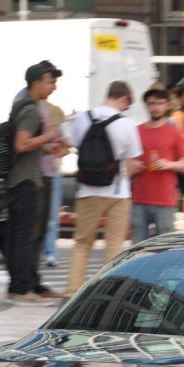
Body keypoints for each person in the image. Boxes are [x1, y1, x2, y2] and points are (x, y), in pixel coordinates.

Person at [65, 80, 144, 298]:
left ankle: (71, 292)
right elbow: (130, 162)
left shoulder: (84, 118)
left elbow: (76, 146)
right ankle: (107, 295)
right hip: (118, 193)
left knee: (82, 244)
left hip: (87, 191)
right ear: (125, 99)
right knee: (114, 245)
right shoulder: (127, 124)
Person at [3, 60, 64, 304]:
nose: (54, 87)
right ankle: (21, 289)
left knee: (23, 236)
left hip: (22, 180)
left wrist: (47, 147)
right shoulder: (30, 110)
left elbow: (27, 147)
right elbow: (21, 144)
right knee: (23, 237)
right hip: (26, 181)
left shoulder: (26, 106)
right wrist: (49, 135)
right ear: (37, 82)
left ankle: (23, 286)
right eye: (51, 82)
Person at [131, 87, 184, 242]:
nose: (156, 107)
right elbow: (126, 161)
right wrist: (132, 165)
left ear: (166, 105)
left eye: (160, 103)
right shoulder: (137, 131)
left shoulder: (173, 132)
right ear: (146, 105)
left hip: (165, 201)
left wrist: (169, 164)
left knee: (164, 249)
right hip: (138, 200)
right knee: (137, 249)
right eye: (152, 103)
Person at [40, 102, 68, 273]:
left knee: (51, 215)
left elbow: (65, 145)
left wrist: (57, 144)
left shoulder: (57, 111)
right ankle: (42, 252)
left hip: (53, 170)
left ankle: (50, 252)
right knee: (39, 215)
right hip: (34, 170)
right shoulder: (30, 107)